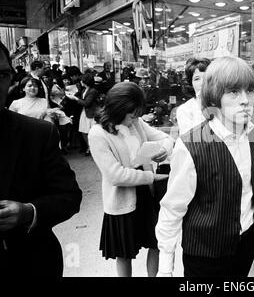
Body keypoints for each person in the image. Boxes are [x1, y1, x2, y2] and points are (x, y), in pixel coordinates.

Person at [156, 56, 254, 277]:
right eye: (234, 92)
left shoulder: (253, 132)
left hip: (247, 241)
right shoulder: (191, 145)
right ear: (215, 97)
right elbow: (172, 208)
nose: (245, 100)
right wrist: (165, 269)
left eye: (249, 91)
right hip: (206, 255)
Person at [0, 40, 82, 277]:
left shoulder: (37, 133)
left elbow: (69, 196)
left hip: (30, 264)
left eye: (2, 74)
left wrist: (28, 211)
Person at [88, 82, 174, 277]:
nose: (134, 119)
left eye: (136, 114)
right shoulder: (98, 134)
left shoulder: (136, 123)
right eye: (131, 114)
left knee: (156, 243)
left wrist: (164, 149)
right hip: (122, 199)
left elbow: (166, 138)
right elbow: (115, 175)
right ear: (118, 109)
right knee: (124, 254)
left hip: (146, 193)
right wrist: (151, 177)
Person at [66, 73, 100, 156]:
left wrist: (75, 98)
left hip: (91, 113)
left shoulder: (93, 91)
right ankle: (90, 147)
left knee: (91, 132)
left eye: (82, 80)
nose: (80, 81)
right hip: (85, 112)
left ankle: (94, 149)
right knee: (83, 131)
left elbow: (86, 103)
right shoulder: (85, 89)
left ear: (85, 81)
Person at [176, 57, 210, 134]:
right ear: (191, 84)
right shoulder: (185, 110)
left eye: (206, 78)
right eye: (197, 79)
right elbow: (192, 140)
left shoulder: (220, 104)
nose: (202, 83)